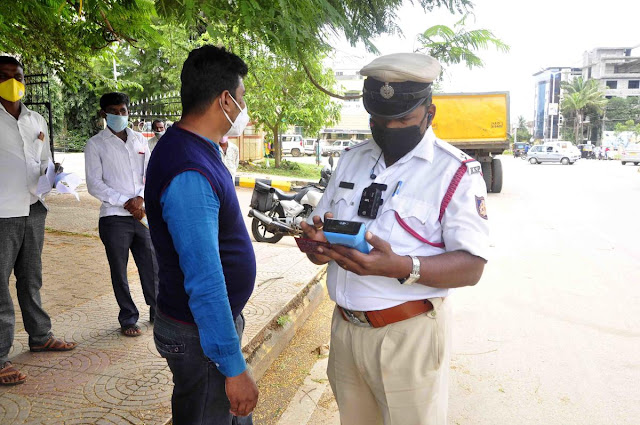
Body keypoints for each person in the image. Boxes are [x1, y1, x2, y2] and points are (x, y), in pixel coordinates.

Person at [300, 53, 490, 425]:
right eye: (379, 120)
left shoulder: (455, 173)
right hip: (345, 331)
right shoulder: (352, 160)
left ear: (429, 113)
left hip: (409, 337)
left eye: (402, 119)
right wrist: (317, 247)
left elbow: (472, 266)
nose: (389, 127)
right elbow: (320, 232)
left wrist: (402, 267)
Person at [145, 45, 258, 424]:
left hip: (205, 330)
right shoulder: (188, 168)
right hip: (200, 336)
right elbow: (205, 279)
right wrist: (233, 365)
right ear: (225, 100)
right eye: (242, 99)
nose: (244, 109)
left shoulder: (197, 148)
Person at [0, 56, 77, 386]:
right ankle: (0, 355)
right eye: (3, 76)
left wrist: (55, 178)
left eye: (16, 75)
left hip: (33, 209)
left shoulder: (35, 119)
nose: (12, 81)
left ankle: (40, 336)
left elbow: (44, 162)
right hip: (2, 213)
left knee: (30, 278)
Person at [84, 92, 158, 337]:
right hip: (114, 217)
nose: (119, 115)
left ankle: (158, 310)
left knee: (151, 264)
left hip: (142, 214)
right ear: (104, 114)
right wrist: (125, 202)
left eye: (123, 111)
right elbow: (94, 183)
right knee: (119, 269)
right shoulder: (96, 144)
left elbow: (150, 174)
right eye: (114, 111)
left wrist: (140, 198)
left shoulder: (140, 141)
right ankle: (128, 318)